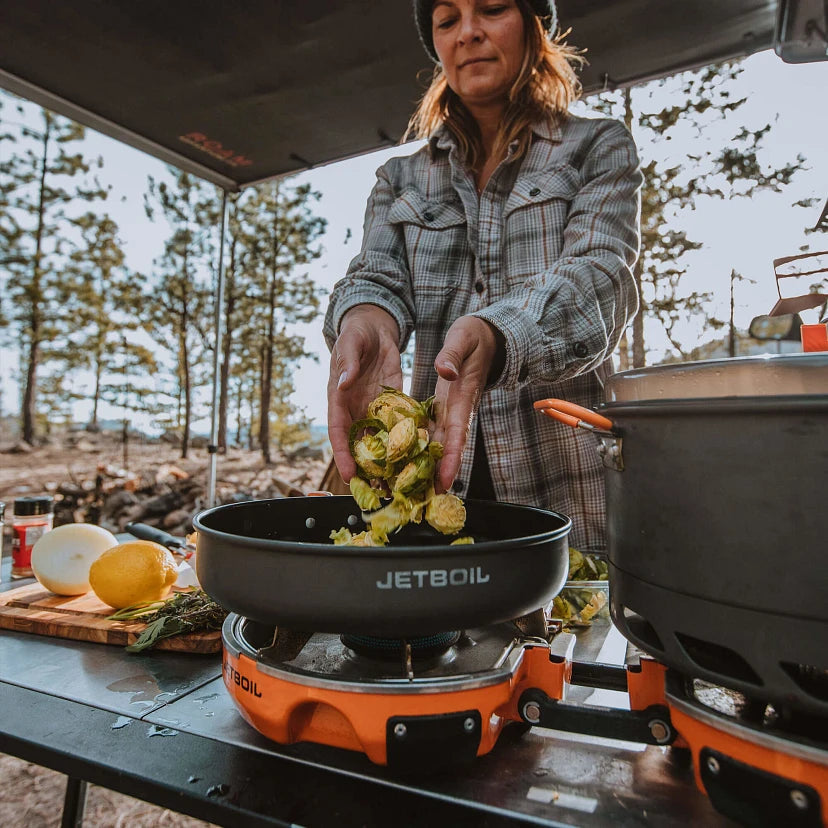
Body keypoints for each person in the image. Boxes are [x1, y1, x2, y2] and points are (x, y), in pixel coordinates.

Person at [324, 0, 642, 552]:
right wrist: (365, 318)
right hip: (430, 495)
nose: (468, 33)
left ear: (533, 25)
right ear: (437, 47)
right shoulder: (399, 178)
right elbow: (376, 275)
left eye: (491, 9)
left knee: (563, 632)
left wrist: (498, 335)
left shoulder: (597, 146)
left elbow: (600, 277)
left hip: (567, 492)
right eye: (447, 21)